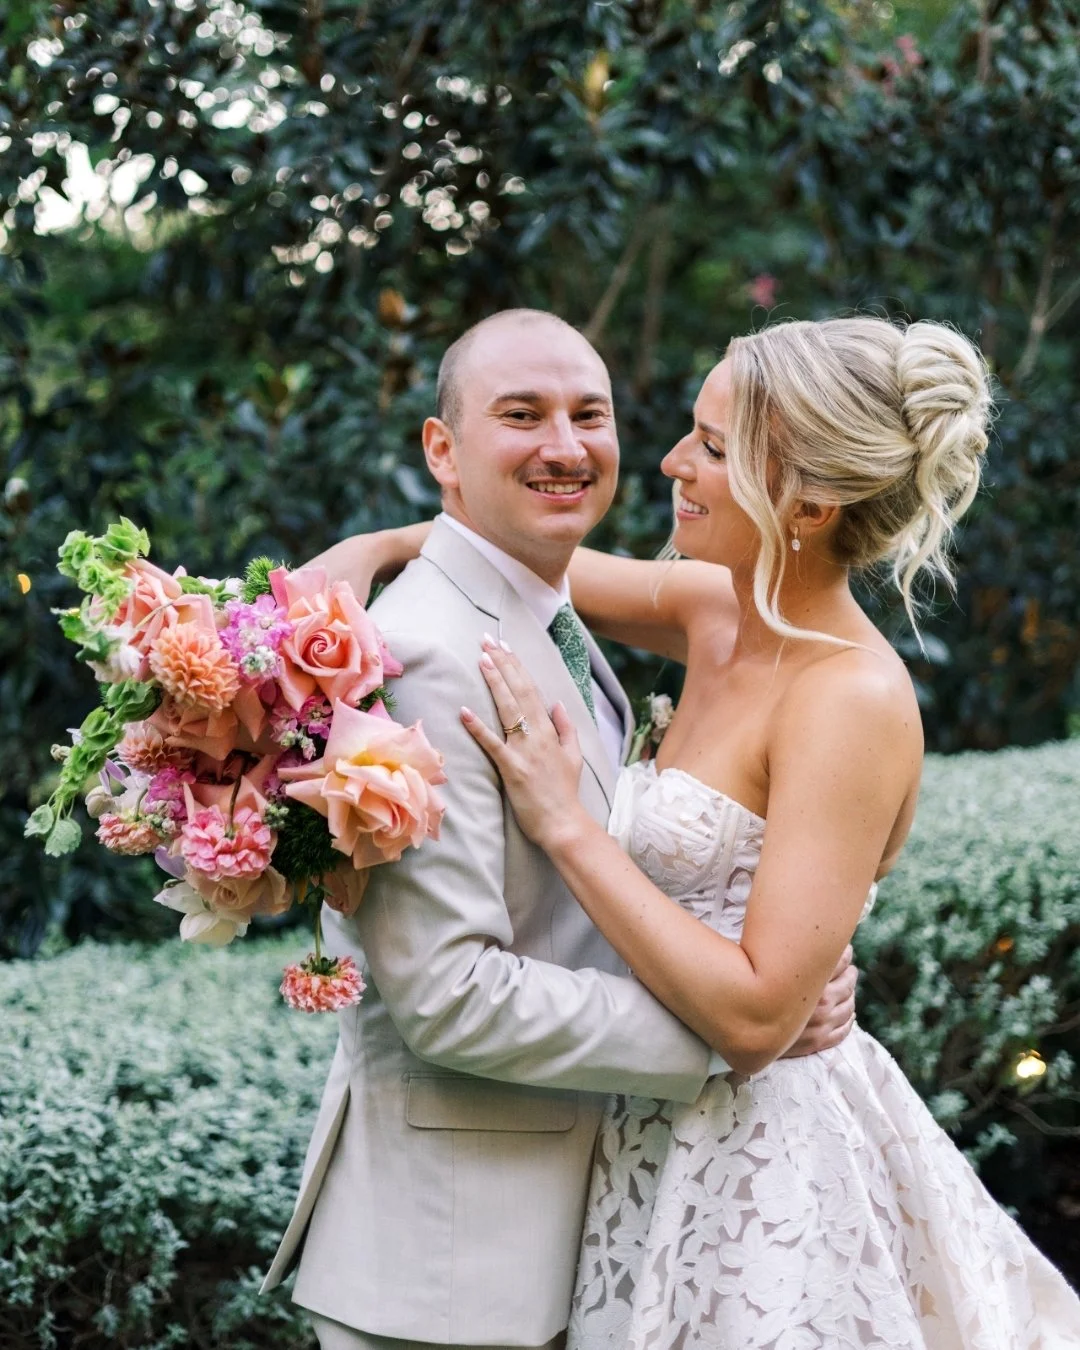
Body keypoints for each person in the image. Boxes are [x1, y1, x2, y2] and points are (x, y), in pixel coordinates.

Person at [450, 316, 1080, 1347]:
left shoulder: (850, 700)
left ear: (811, 505)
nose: (671, 462)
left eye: (711, 446)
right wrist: (367, 556)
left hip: (756, 1170)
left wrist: (567, 825)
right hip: (636, 1127)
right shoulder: (713, 610)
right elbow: (513, 563)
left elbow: (754, 1020)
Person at [261, 309, 857, 1350]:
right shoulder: (427, 659)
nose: (566, 446)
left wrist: (770, 963)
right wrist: (736, 1031)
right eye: (522, 415)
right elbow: (452, 996)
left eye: (590, 414)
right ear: (442, 450)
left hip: (564, 1231)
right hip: (452, 1269)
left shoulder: (539, 604)